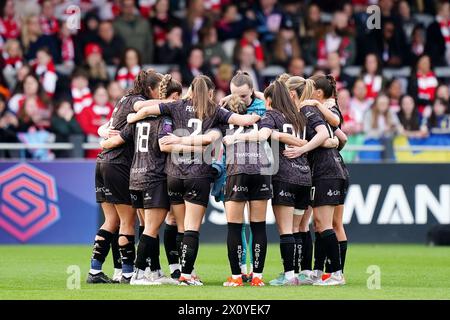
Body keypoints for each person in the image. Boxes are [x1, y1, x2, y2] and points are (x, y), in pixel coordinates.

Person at [127, 75, 261, 285]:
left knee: (179, 225)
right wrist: (259, 108)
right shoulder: (214, 109)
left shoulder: (176, 105)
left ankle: (147, 272)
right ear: (209, 92)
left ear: (190, 90)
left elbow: (144, 110)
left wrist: (132, 119)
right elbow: (243, 120)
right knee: (191, 228)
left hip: (173, 174)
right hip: (198, 174)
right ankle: (187, 275)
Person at [99, 75, 185, 286]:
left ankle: (151, 271)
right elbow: (165, 145)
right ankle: (137, 273)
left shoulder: (136, 117)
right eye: (177, 98)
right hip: (153, 176)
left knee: (143, 225)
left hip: (134, 176)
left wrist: (102, 136)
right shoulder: (165, 117)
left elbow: (116, 137)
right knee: (149, 228)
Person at [86, 69, 163, 284]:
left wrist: (103, 135)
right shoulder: (137, 100)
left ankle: (95, 271)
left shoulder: (123, 99)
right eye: (160, 90)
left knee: (111, 220)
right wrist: (169, 103)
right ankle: (128, 273)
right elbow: (139, 108)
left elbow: (106, 127)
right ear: (150, 89)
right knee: (126, 221)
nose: (161, 94)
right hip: (118, 164)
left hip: (102, 162)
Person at [283, 76, 348, 286]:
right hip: (330, 169)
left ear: (293, 94)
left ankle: (336, 273)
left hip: (326, 171)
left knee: (324, 223)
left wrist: (303, 149)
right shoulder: (312, 109)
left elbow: (322, 134)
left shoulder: (307, 109)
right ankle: (319, 272)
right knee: (320, 225)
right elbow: (340, 137)